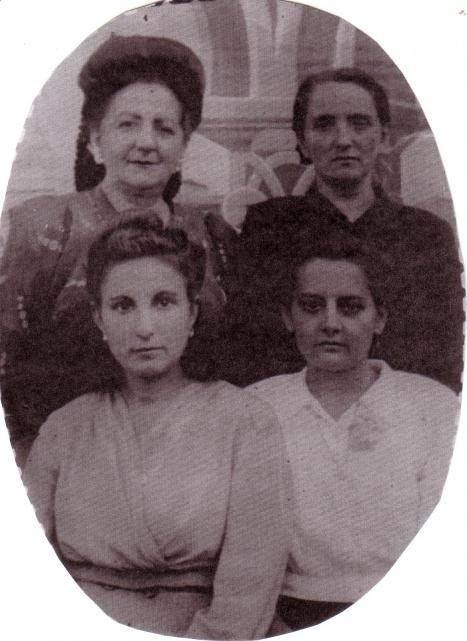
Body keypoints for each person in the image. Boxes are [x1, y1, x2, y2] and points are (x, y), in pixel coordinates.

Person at [22, 214, 289, 640]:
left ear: (192, 313)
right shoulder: (65, 427)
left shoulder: (246, 423)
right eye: (122, 306)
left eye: (163, 302)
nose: (144, 328)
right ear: (99, 320)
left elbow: (249, 585)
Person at [0, 35, 236, 460]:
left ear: (183, 147)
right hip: (63, 456)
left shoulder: (211, 235)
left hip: (189, 456)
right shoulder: (45, 229)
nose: (146, 142)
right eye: (128, 124)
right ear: (94, 140)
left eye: (165, 128)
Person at [248, 230, 459, 632]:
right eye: (311, 307)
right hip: (287, 615)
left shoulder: (433, 406)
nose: (330, 323)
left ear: (380, 318)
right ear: (288, 316)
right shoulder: (257, 407)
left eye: (350, 307)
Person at [223, 68, 463, 391]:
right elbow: (247, 352)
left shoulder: (426, 236)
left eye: (359, 123)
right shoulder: (269, 228)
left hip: (399, 409)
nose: (343, 140)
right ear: (302, 142)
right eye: (324, 125)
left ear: (384, 137)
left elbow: (443, 359)